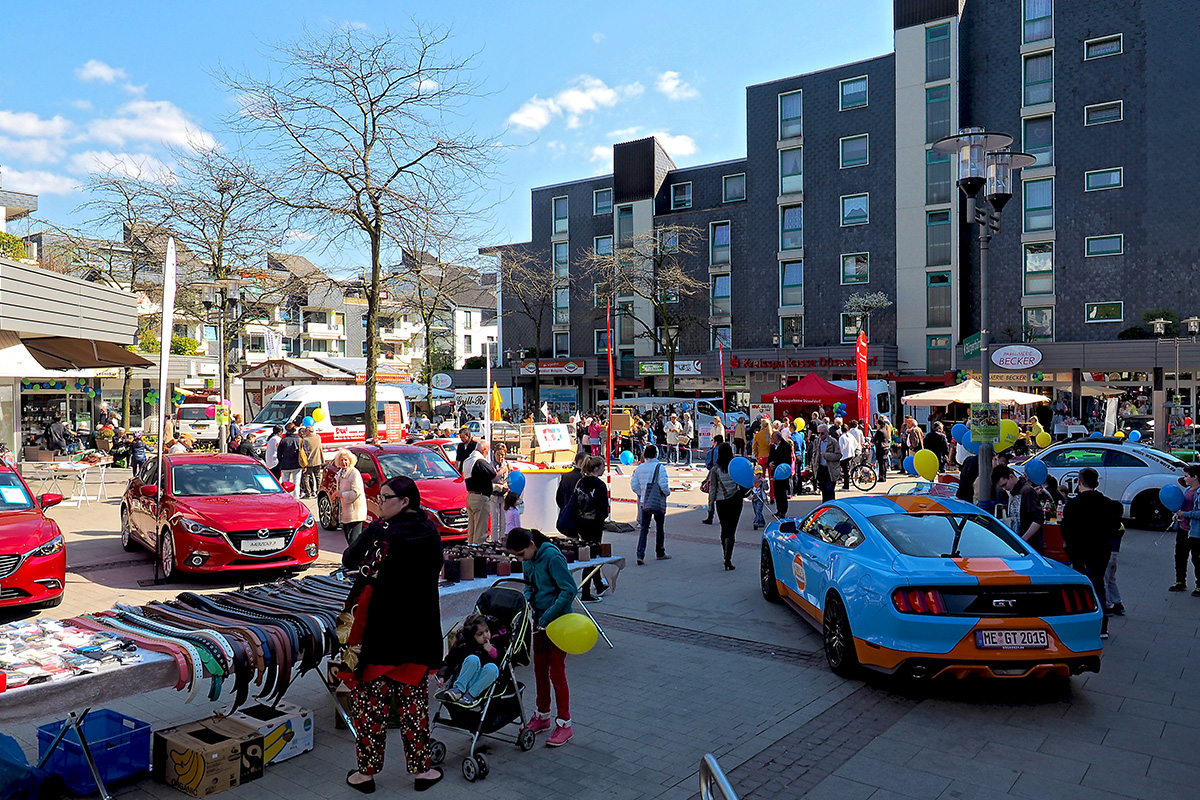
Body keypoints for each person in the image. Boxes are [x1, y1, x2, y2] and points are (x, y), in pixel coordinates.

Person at [341, 475, 445, 793]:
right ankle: (421, 772)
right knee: (413, 708)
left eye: (385, 498)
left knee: (371, 708)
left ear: (404, 502)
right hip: (416, 633)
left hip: (378, 635)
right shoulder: (430, 531)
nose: (378, 502)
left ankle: (366, 774)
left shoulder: (380, 533)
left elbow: (349, 558)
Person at [505, 527, 577, 747]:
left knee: (556, 671)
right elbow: (528, 586)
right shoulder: (528, 559)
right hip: (538, 621)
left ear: (531, 545)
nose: (520, 559)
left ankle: (565, 722)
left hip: (557, 621)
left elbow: (569, 590)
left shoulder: (553, 557)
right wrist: (527, 603)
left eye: (520, 554)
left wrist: (547, 617)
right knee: (539, 669)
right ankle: (542, 714)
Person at [1061, 467, 1121, 639]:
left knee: (1080, 585)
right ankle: (1102, 626)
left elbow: (1066, 528)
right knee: (1098, 584)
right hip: (1100, 549)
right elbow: (1115, 526)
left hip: (1078, 549)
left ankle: (1082, 621)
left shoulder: (1073, 505)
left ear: (1079, 482)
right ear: (1097, 483)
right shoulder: (1108, 504)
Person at [434, 614, 500, 706]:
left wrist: (492, 651)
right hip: (465, 679)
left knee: (492, 668)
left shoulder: (495, 642)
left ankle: (470, 695)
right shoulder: (464, 644)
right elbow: (451, 660)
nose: (486, 636)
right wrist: (442, 676)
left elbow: (502, 662)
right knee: (473, 659)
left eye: (487, 631)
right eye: (480, 634)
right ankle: (458, 689)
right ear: (472, 636)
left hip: (481, 684)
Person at [573, 456, 610, 601]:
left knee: (589, 552)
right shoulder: (599, 485)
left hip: (582, 522)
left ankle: (597, 584)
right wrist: (602, 518)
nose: (604, 469)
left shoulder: (581, 482)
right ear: (596, 469)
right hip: (594, 523)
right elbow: (603, 508)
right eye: (602, 467)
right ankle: (587, 591)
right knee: (592, 556)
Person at [629, 444, 671, 565]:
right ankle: (660, 551)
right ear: (656, 454)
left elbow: (634, 485)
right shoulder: (660, 468)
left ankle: (640, 554)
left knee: (644, 529)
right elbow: (663, 485)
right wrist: (667, 493)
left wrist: (642, 493)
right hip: (657, 501)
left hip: (644, 502)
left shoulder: (639, 468)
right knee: (659, 527)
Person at [992, 465, 1045, 554]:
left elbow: (1038, 518)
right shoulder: (1013, 492)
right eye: (1002, 487)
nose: (1005, 488)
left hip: (1030, 545)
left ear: (1011, 476)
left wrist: (1023, 539)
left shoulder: (1027, 491)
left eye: (1004, 485)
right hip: (1021, 543)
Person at [710, 443, 745, 570]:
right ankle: (728, 559)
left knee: (724, 529)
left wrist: (710, 507)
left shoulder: (715, 469)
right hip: (736, 500)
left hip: (721, 501)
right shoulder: (734, 467)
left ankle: (725, 554)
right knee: (732, 530)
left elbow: (712, 489)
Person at [1170, 465, 1200, 593]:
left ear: (1195, 477)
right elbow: (1180, 506)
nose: (1184, 478)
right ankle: (1180, 581)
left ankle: (1199, 585)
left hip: (1195, 532)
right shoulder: (1187, 490)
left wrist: (1185, 514)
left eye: (1187, 476)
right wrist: (1177, 514)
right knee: (1180, 556)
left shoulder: (1199, 492)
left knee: (1197, 558)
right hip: (1183, 528)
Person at [462, 440, 497, 545]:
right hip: (480, 497)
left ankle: (470, 552)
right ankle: (478, 555)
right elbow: (494, 477)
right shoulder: (480, 461)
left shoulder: (468, 460)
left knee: (472, 530)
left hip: (470, 496)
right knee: (480, 531)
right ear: (484, 449)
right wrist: (503, 471)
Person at [334, 449, 367, 546]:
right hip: (346, 512)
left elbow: (357, 492)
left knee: (354, 540)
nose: (344, 462)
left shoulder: (354, 473)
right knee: (348, 538)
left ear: (350, 461)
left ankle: (357, 560)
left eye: (346, 460)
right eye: (342, 460)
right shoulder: (341, 472)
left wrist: (341, 494)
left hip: (355, 512)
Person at [489, 443, 512, 543]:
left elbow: (511, 479)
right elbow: (489, 483)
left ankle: (503, 540)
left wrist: (507, 486)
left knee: (504, 521)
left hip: (504, 496)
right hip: (494, 495)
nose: (500, 457)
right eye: (498, 454)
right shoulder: (490, 465)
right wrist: (500, 487)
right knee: (495, 521)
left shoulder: (507, 465)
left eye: (502, 455)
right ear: (494, 454)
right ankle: (494, 541)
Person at [767, 431, 793, 517]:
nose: (772, 439)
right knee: (777, 492)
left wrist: (778, 465)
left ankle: (783, 510)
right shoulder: (773, 447)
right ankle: (778, 509)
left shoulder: (786, 446)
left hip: (783, 472)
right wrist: (770, 463)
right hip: (775, 472)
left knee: (782, 493)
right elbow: (770, 458)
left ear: (778, 438)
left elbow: (787, 460)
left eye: (773, 438)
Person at [815, 424, 842, 502]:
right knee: (823, 491)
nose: (820, 435)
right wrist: (814, 466)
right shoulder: (817, 441)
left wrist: (827, 455)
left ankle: (832, 507)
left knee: (829, 491)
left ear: (827, 432)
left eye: (822, 433)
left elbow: (838, 455)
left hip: (830, 469)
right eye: (818, 433)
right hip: (821, 469)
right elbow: (814, 454)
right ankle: (825, 509)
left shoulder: (833, 441)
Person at [701, 434, 725, 524]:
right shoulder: (726, 450)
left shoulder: (712, 451)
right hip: (725, 474)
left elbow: (708, 465)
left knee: (712, 494)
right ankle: (723, 516)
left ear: (715, 442)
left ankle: (710, 515)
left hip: (714, 474)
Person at [276, 423, 304, 498]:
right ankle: (296, 499)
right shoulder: (299, 440)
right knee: (296, 484)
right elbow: (305, 452)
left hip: (285, 464)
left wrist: (281, 461)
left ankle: (286, 498)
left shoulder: (283, 440)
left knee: (285, 484)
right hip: (297, 464)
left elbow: (279, 453)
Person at [300, 425, 325, 499]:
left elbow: (303, 450)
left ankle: (309, 493)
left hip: (309, 461)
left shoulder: (305, 440)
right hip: (318, 460)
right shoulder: (318, 437)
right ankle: (318, 491)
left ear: (308, 432)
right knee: (318, 476)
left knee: (306, 477)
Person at [838, 424, 858, 492]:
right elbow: (856, 444)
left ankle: (846, 486)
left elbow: (841, 448)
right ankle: (846, 485)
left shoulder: (842, 437)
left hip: (844, 456)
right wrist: (853, 449)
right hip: (851, 454)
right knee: (847, 471)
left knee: (845, 471)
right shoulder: (850, 436)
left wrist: (838, 453)